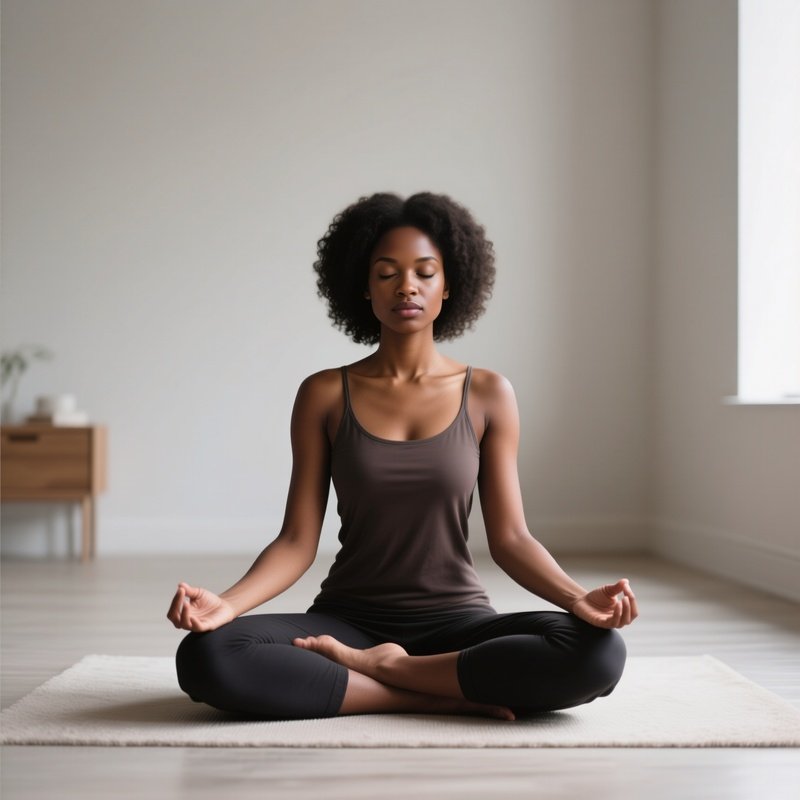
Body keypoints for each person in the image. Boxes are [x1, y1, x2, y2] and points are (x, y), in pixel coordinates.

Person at [167, 191, 638, 721]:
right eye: (387, 272)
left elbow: (510, 539)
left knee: (598, 651)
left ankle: (386, 670)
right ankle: (426, 695)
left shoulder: (487, 393)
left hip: (458, 623)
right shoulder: (324, 393)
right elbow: (298, 540)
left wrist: (578, 600)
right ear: (364, 288)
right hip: (349, 620)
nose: (406, 286)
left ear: (449, 284)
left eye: (425, 272)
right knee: (208, 654)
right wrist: (227, 605)